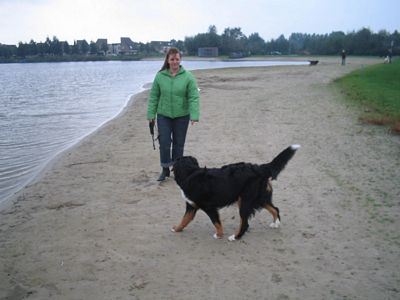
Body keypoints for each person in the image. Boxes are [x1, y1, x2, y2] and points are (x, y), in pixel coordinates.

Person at [147, 47, 200, 181]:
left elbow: (193, 97)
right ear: (168, 60)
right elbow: (154, 96)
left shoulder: (188, 77)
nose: (175, 61)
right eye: (172, 59)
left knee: (178, 144)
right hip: (163, 115)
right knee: (164, 143)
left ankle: (177, 169)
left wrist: (194, 115)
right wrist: (151, 114)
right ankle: (165, 169)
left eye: (177, 59)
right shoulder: (160, 76)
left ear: (180, 60)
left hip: (182, 116)